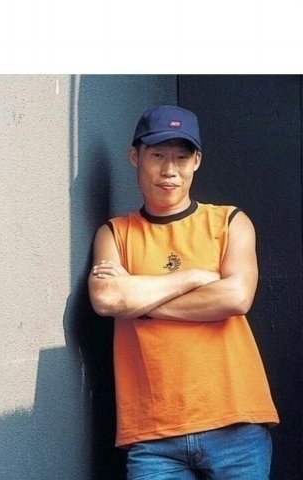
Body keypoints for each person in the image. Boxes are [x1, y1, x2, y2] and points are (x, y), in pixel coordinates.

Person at [88, 105, 280, 479]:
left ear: (196, 162)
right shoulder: (114, 233)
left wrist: (139, 301)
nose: (169, 170)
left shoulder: (230, 221)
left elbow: (236, 297)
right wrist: (194, 277)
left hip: (236, 426)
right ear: (135, 157)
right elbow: (108, 298)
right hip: (153, 438)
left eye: (181, 157)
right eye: (158, 155)